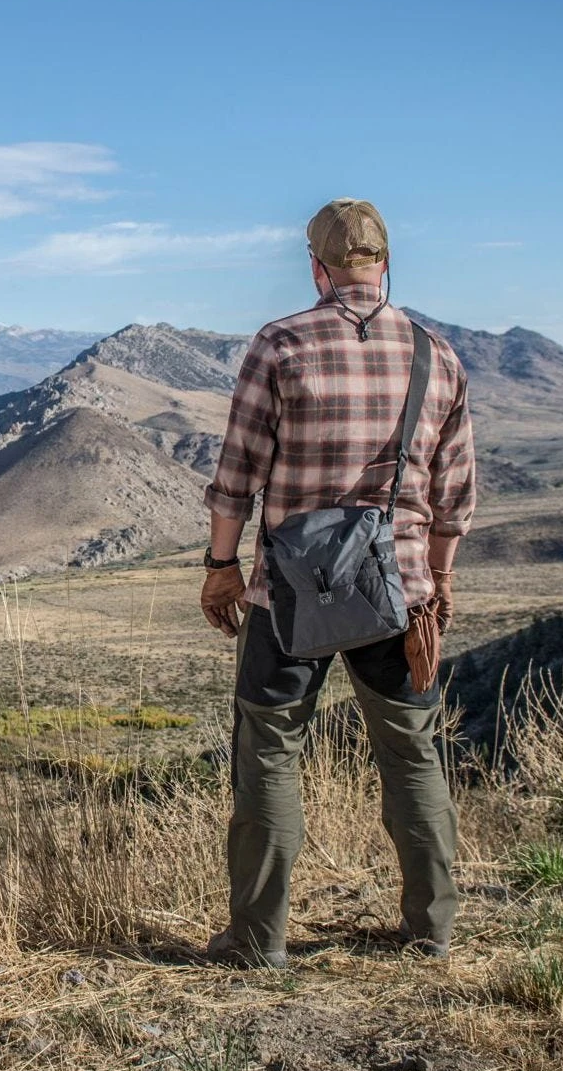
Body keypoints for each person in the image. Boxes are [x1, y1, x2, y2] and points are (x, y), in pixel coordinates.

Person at [199, 197, 476, 968]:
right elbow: (454, 499)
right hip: (402, 590)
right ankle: (432, 932)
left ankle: (259, 941)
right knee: (413, 756)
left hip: (291, 594)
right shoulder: (437, 354)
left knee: (269, 753)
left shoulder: (280, 344)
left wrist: (222, 568)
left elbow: (236, 479)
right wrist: (439, 586)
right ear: (386, 265)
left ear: (317, 268)